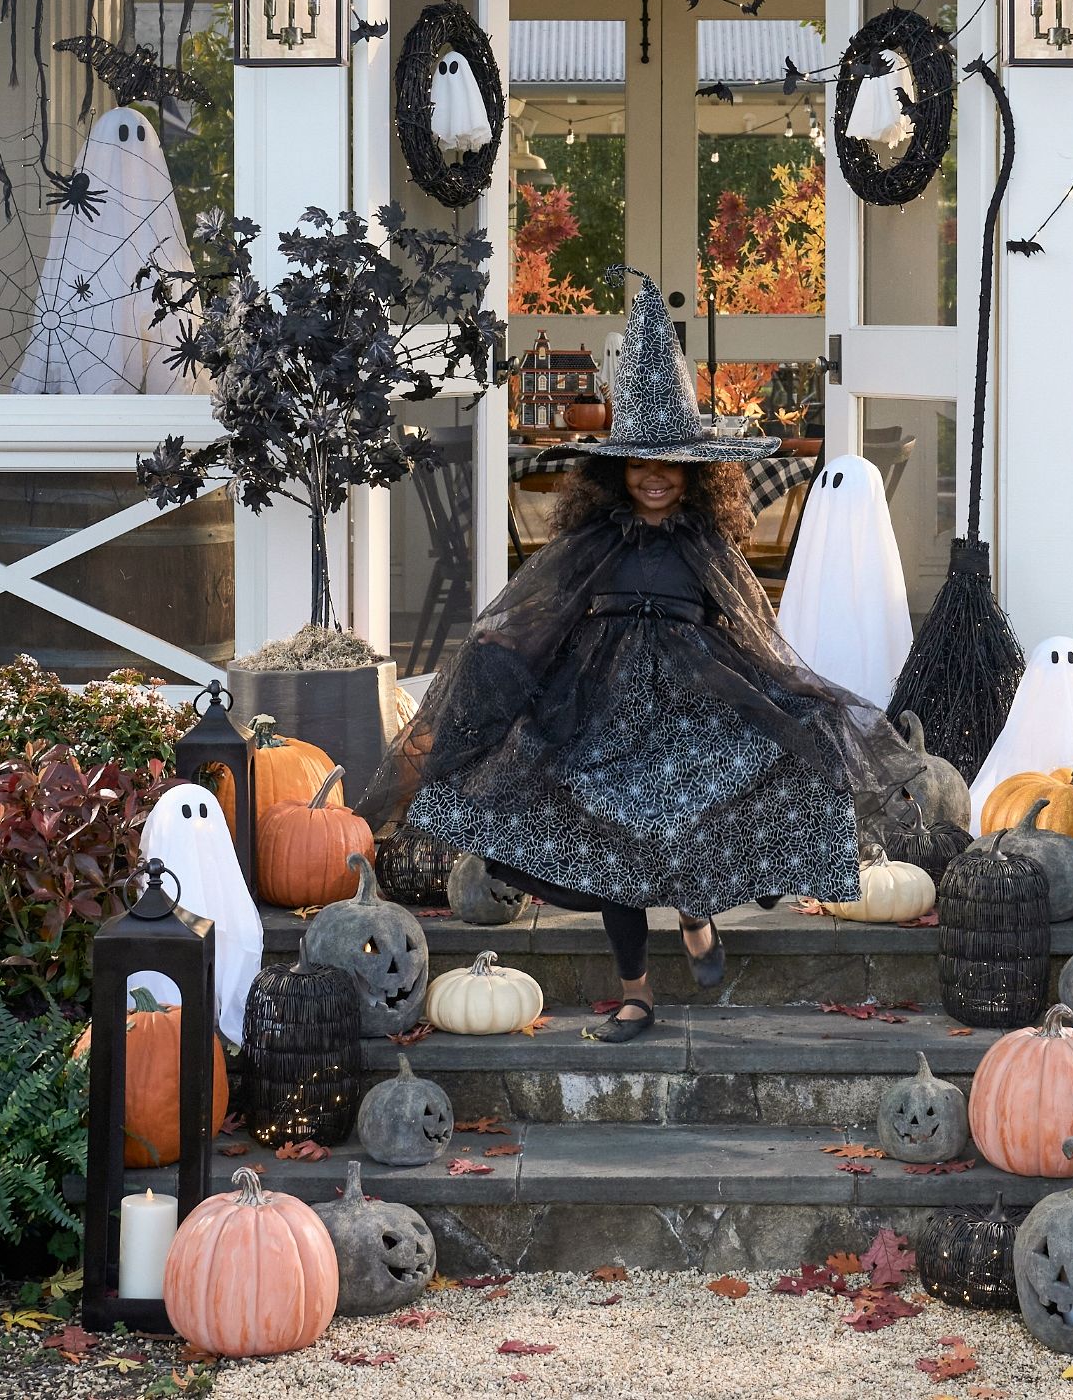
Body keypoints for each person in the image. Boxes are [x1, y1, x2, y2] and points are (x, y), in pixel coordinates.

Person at [361, 269, 919, 1042]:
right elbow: (537, 613)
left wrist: (795, 699)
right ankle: (636, 994)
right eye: (639, 464)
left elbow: (751, 635)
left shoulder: (706, 546)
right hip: (605, 713)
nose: (654, 477)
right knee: (614, 847)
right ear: (614, 472)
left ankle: (695, 910)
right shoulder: (592, 542)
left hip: (692, 710)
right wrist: (493, 665)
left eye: (670, 465)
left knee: (700, 817)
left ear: (695, 473)